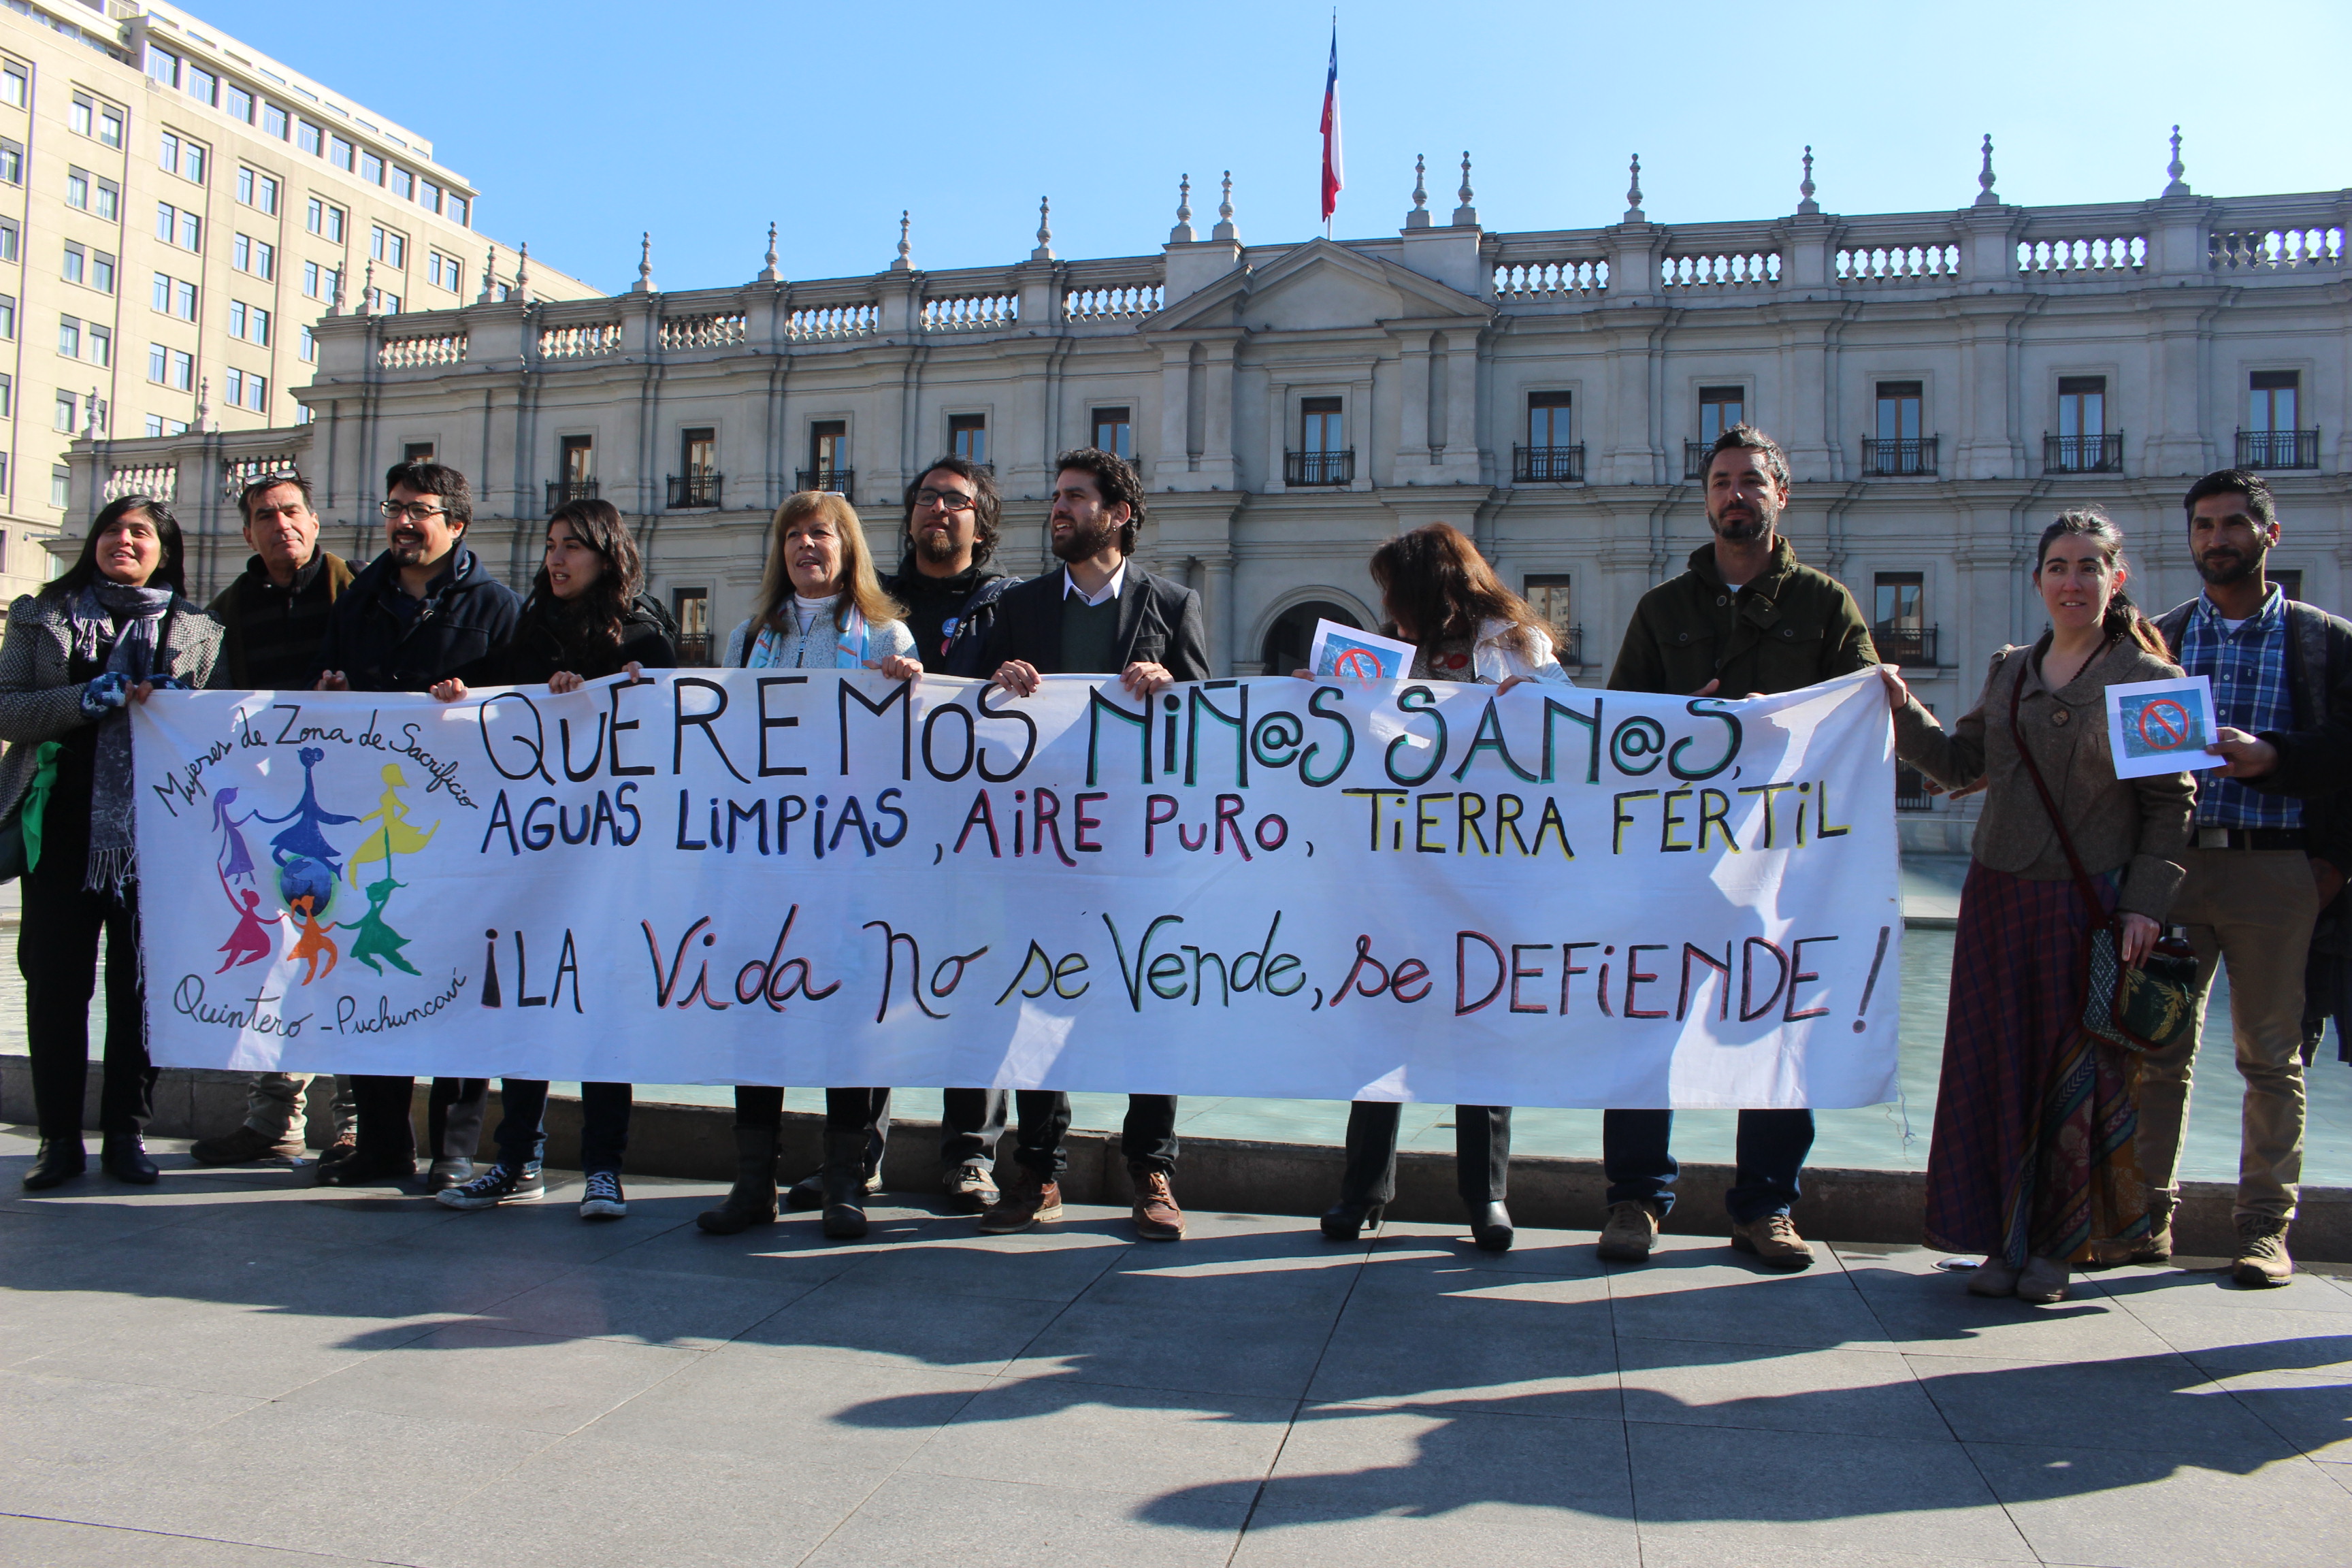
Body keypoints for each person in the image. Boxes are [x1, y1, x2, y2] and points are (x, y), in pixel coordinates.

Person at [1884, 508, 2192, 1303]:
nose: (2072, 581)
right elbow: (1959, 767)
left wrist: (2146, 906)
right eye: (2058, 566)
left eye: (2089, 567)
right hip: (1997, 895)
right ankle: (1996, 1242)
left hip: (2090, 906)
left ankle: (2057, 1247)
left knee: (2078, 1081)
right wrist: (1900, 708)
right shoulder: (2010, 670)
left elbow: (2172, 806)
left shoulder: (2154, 683)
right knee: (1993, 1070)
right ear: (2039, 579)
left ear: (2115, 581)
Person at [1599, 425, 1878, 1271]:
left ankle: (1766, 1208)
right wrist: (1688, 720)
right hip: (1677, 859)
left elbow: (1866, 706)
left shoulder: (1826, 607)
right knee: (1647, 1023)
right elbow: (1619, 736)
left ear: (1779, 496)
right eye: (1722, 481)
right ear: (1706, 497)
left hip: (1789, 864)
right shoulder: (1662, 611)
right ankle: (1636, 1198)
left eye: (1752, 482)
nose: (1736, 495)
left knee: (1781, 1024)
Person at [1310, 522, 1573, 1254]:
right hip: (1399, 873)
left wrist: (1536, 700)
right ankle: (1361, 1192)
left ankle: (1486, 1197)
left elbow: (1576, 729)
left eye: (1395, 593)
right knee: (1382, 1024)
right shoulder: (1390, 656)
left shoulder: (1519, 646)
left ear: (1429, 590)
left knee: (1481, 1030)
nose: (1388, 609)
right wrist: (1319, 706)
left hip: (1491, 873)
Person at [973, 447, 1211, 1242]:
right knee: (1041, 1003)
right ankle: (1037, 1171)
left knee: (1152, 1006)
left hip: (1139, 853)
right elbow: (967, 710)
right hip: (1042, 850)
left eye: (1076, 498)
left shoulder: (1173, 606)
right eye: (1056, 497)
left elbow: (1209, 730)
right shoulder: (1019, 606)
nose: (1058, 510)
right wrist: (995, 682)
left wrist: (1174, 692)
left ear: (1120, 515)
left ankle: (1152, 1171)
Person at [425, 498, 678, 1221]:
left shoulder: (645, 635)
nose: (556, 559)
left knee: (601, 1012)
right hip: (536, 862)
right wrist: (458, 693)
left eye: (572, 546)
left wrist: (608, 694)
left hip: (611, 864)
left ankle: (604, 1167)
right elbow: (493, 696)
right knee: (529, 1004)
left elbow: (661, 728)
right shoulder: (530, 630)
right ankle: (515, 1159)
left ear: (606, 553)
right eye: (549, 546)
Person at [2129, 470, 2352, 1288]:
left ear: (2270, 535)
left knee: (2271, 1057)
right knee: (2159, 1050)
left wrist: (2280, 769)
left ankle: (2264, 1229)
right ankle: (2144, 1215)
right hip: (2177, 868)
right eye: (2203, 527)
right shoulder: (2159, 640)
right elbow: (2132, 774)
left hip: (2279, 867)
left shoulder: (2326, 640)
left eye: (2232, 525)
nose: (2216, 539)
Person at [785, 456, 1022, 1218]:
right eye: (925, 498)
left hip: (976, 831)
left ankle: (971, 1156)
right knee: (868, 986)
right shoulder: (871, 605)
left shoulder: (1012, 605)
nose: (936, 511)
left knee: (978, 983)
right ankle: (856, 1156)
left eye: (954, 501)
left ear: (981, 523)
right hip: (878, 834)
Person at [696, 490, 923, 1241]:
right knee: (757, 1018)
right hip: (762, 862)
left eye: (819, 534)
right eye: (791, 535)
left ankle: (844, 1185)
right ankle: (752, 1182)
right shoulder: (747, 637)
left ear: (846, 547)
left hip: (851, 866)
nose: (804, 547)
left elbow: (914, 753)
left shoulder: (889, 637)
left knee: (844, 1022)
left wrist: (908, 692)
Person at [0, 497, 223, 1189]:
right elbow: (7, 706)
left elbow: (219, 734)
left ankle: (128, 1133)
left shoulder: (199, 630)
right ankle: (59, 1140)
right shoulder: (39, 614)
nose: (123, 541)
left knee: (140, 991)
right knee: (56, 987)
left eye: (141, 533)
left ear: (165, 550)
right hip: (58, 833)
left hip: (155, 840)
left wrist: (177, 708)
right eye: (113, 530)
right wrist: (82, 701)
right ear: (92, 541)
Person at [312, 459, 522, 1191]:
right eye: (394, 506)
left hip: (460, 834)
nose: (403, 521)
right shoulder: (357, 602)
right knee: (374, 979)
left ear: (456, 523)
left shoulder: (497, 607)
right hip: (371, 830)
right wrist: (329, 693)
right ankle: (380, 1146)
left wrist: (479, 700)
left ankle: (455, 1150)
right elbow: (327, 688)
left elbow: (522, 714)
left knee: (459, 982)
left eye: (420, 510)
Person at [188, 473, 359, 1171]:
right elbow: (205, 704)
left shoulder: (359, 594)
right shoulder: (226, 612)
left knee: (347, 963)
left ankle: (355, 1121)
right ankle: (273, 1117)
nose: (280, 523)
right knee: (272, 966)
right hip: (267, 819)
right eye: (265, 515)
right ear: (248, 532)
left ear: (315, 521)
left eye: (291, 511)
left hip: (350, 813)